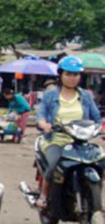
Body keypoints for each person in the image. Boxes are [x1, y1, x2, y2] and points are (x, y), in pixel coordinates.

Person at [35, 56, 101, 209]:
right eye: (68, 74)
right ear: (61, 75)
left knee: (99, 161)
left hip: (81, 141)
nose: (72, 78)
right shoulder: (51, 95)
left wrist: (100, 127)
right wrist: (44, 124)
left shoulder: (85, 95)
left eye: (76, 74)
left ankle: (96, 197)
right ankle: (44, 196)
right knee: (53, 163)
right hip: (56, 139)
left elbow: (96, 117)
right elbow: (41, 115)